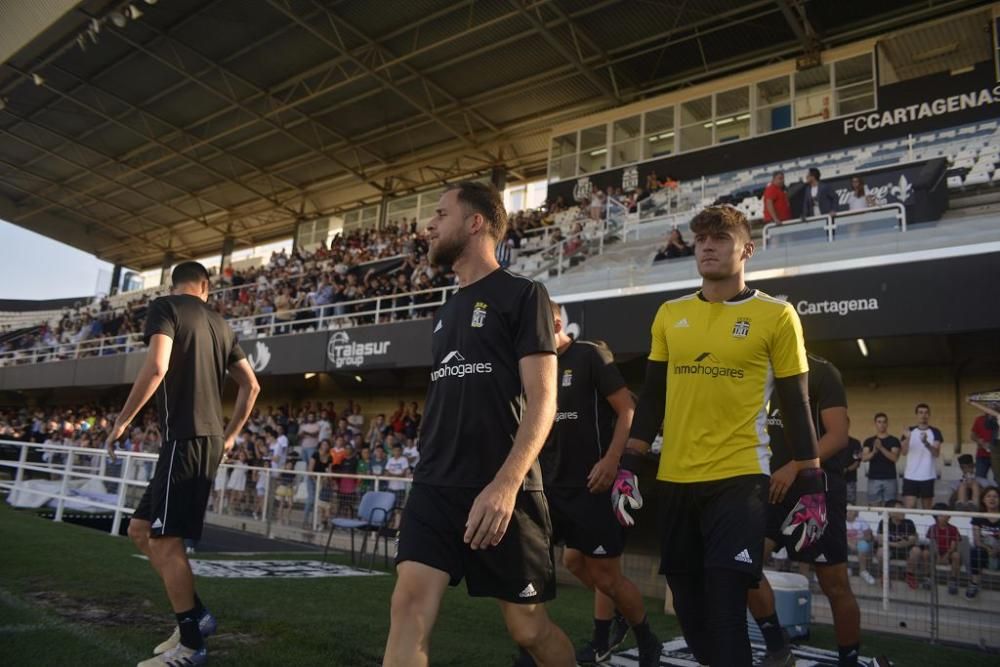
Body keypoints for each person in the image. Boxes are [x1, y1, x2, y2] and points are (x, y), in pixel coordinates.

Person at [612, 205, 825, 666]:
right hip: (674, 479)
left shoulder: (778, 315)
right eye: (701, 239)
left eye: (721, 237)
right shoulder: (670, 313)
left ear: (746, 248)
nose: (708, 245)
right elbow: (653, 399)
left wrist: (812, 481)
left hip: (740, 478)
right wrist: (630, 461)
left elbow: (796, 403)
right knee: (689, 609)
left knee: (727, 604)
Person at [384, 182, 574, 667]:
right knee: (408, 606)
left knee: (528, 628)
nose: (429, 225)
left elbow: (543, 400)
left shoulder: (524, 294)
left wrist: (506, 484)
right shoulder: (445, 312)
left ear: (475, 223)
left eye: (441, 213)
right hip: (435, 485)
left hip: (502, 490)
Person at [104, 261, 260, 667]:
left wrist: (122, 421)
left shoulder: (165, 306)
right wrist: (228, 436)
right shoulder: (223, 325)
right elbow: (252, 385)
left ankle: (191, 646)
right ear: (206, 286)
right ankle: (196, 616)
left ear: (176, 284)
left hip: (187, 440)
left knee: (164, 541)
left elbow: (157, 366)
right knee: (139, 529)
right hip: (193, 440)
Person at [516, 303, 660, 667]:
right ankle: (530, 650)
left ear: (557, 324)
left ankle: (646, 639)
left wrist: (613, 461)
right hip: (549, 487)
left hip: (594, 487)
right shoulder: (535, 365)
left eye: (535, 326)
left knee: (606, 578)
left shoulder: (590, 355)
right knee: (542, 566)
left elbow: (628, 410)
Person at [749, 353, 862, 667]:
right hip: (771, 489)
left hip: (816, 490)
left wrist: (795, 466)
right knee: (744, 566)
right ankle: (778, 649)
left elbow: (838, 436)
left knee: (834, 584)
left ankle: (849, 660)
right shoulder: (757, 370)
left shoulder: (824, 372)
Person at [901, 404, 943, 509]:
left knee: (927, 509)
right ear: (916, 415)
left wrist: (926, 443)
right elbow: (904, 452)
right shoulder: (909, 431)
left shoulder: (935, 432)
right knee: (910, 508)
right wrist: (908, 438)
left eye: (926, 412)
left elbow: (936, 453)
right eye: (920, 412)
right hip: (910, 476)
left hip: (927, 475)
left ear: (929, 415)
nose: (923, 415)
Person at [874, 500, 921, 590]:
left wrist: (890, 543)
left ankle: (909, 575)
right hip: (890, 550)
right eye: (899, 509)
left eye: (903, 509)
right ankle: (884, 575)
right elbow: (880, 539)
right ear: (890, 512)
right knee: (880, 552)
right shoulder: (884, 522)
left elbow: (912, 540)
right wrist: (898, 544)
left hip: (905, 550)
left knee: (916, 551)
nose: (903, 511)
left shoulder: (909, 522)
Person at [968, 486, 1000, 598]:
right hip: (985, 552)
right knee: (975, 550)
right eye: (989, 496)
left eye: (995, 496)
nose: (992, 499)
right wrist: (988, 548)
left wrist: (997, 549)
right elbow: (977, 540)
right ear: (983, 499)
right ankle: (974, 583)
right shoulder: (978, 518)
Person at [923, 503, 962, 595]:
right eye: (941, 515)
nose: (945, 516)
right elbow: (932, 544)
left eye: (946, 514)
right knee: (925, 553)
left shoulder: (953, 529)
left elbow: (953, 545)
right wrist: (938, 556)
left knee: (956, 555)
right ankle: (927, 577)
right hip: (936, 552)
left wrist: (946, 555)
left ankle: (953, 580)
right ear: (936, 516)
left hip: (949, 553)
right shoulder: (932, 528)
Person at [862, 414, 900, 505]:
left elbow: (894, 458)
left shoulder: (894, 440)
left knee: (891, 506)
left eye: (884, 422)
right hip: (873, 479)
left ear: (887, 424)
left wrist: (881, 447)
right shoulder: (868, 441)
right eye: (879, 422)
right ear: (875, 424)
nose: (882, 424)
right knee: (874, 508)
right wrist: (874, 451)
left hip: (890, 478)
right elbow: (864, 458)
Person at [845, 510, 876, 585]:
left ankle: (863, 571)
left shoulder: (861, 520)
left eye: (851, 510)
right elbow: (838, 536)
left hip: (860, 542)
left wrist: (857, 541)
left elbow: (868, 536)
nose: (850, 512)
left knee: (863, 545)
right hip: (846, 543)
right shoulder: (839, 520)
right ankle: (846, 568)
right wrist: (849, 542)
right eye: (847, 510)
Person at [971, 412, 998, 483]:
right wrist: (979, 441)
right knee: (979, 479)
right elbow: (972, 435)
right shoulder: (979, 419)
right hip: (982, 455)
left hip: (997, 455)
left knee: (998, 479)